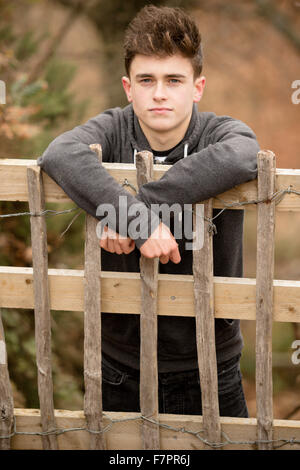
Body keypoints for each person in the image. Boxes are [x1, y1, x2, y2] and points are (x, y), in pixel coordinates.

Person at [38, 5, 259, 417]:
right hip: (121, 363)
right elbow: (60, 152)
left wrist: (134, 214)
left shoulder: (218, 133)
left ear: (197, 87)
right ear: (128, 87)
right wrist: (135, 220)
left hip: (211, 361)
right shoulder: (113, 129)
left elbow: (244, 154)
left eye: (174, 80)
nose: (159, 93)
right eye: (147, 80)